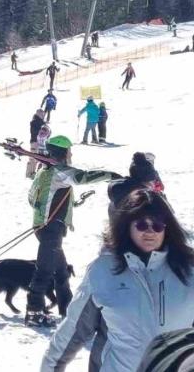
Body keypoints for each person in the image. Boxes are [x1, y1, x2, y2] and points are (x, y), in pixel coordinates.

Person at [41, 189, 194, 372]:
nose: (150, 232)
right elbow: (73, 330)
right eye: (142, 225)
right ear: (127, 226)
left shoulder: (192, 275)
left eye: (158, 225)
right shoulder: (103, 271)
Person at [25, 135, 123, 323]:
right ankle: (34, 311)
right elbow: (82, 177)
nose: (71, 154)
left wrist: (69, 205)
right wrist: (112, 175)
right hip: (51, 228)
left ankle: (67, 309)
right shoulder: (60, 171)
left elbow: (32, 199)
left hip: (44, 226)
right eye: (69, 151)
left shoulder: (43, 172)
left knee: (60, 271)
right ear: (63, 152)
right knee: (44, 270)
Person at [107, 152, 163, 220]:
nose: (153, 184)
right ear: (147, 182)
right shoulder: (142, 198)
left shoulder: (122, 187)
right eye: (152, 181)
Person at [27, 110, 51, 179]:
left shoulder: (39, 122)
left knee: (39, 158)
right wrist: (44, 125)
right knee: (33, 158)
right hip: (35, 142)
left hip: (40, 143)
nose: (43, 115)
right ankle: (30, 174)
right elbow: (36, 131)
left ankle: (36, 173)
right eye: (42, 114)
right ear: (38, 114)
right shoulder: (35, 122)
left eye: (44, 114)